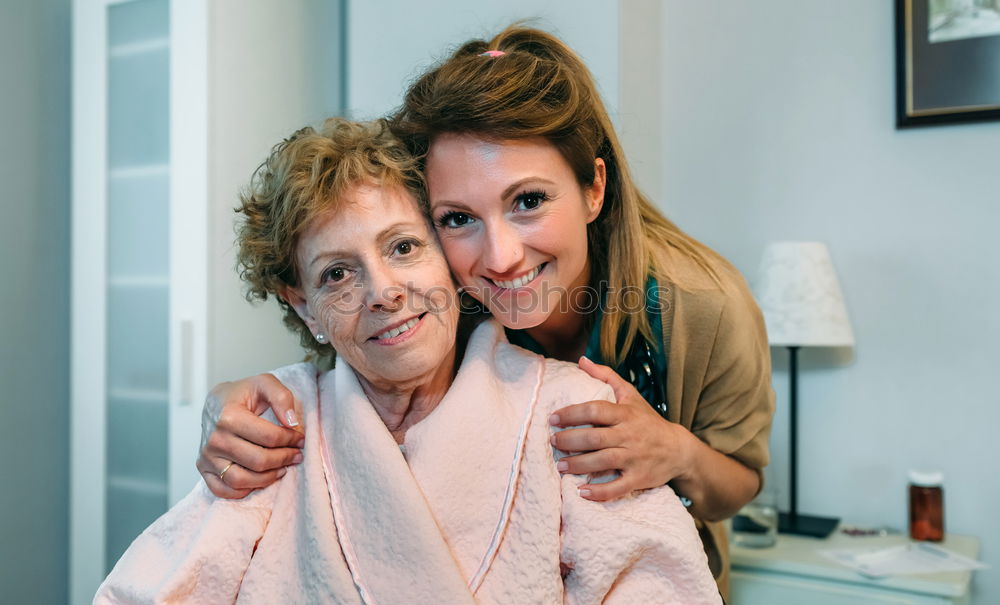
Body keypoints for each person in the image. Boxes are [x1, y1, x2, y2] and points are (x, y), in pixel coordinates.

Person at [196, 26, 774, 597]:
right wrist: (234, 402)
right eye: (457, 217)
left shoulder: (702, 305)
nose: (499, 259)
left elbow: (741, 483)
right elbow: (351, 351)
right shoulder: (442, 293)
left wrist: (676, 452)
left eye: (529, 201)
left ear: (594, 188)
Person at [95, 119, 720, 604]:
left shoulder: (569, 412)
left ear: (448, 257)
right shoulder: (276, 427)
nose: (383, 291)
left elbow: (659, 585)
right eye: (337, 273)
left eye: (403, 247)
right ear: (304, 306)